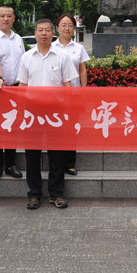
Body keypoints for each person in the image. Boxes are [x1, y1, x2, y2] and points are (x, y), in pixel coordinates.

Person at [20, 19, 79, 210]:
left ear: (53, 33)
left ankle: (56, 194)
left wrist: (67, 109)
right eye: (40, 30)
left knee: (57, 154)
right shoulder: (27, 57)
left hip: (56, 113)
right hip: (33, 113)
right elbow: (22, 85)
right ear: (35, 33)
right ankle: (34, 194)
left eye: (47, 30)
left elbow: (68, 84)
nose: (44, 33)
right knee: (32, 155)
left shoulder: (62, 56)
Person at [0, 5, 26, 181]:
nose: (5, 19)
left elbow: (23, 63)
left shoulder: (18, 39)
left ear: (14, 18)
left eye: (9, 16)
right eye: (2, 16)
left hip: (15, 89)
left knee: (12, 127)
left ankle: (10, 164)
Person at [52, 13, 89, 176]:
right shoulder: (51, 47)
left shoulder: (78, 48)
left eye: (70, 25)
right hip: (55, 95)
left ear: (74, 28)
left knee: (72, 128)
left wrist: (83, 90)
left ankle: (70, 163)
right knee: (57, 127)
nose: (67, 28)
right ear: (57, 28)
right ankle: (56, 163)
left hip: (74, 93)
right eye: (64, 25)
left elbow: (82, 70)